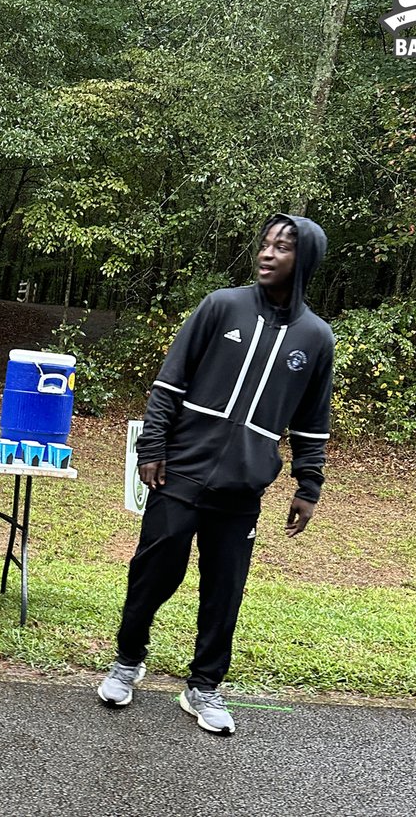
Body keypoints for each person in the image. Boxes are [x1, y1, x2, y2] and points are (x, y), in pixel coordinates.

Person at [97, 214, 335, 735]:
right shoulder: (222, 305)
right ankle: (126, 662)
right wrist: (152, 447)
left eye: (283, 247)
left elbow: (313, 420)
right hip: (178, 471)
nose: (268, 253)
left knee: (224, 589)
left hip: (243, 487)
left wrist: (307, 484)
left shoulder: (316, 338)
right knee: (154, 572)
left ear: (305, 261)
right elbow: (170, 383)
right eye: (266, 243)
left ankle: (204, 688)